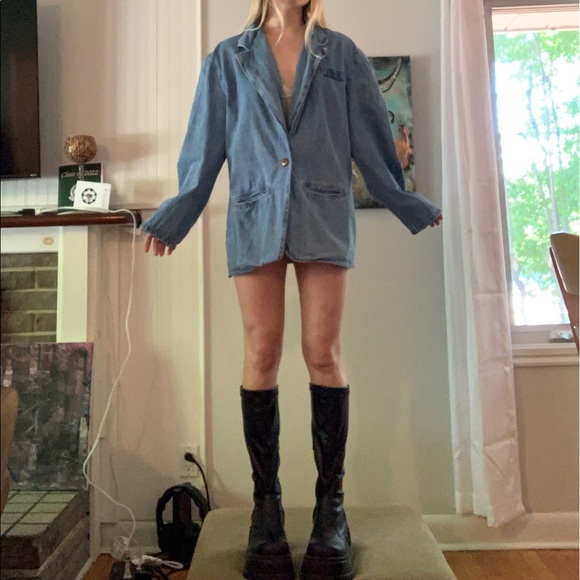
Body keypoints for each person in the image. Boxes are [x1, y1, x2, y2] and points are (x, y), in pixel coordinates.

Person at [142, 1, 442, 578]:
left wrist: (406, 201)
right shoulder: (227, 59)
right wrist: (176, 216)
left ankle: (331, 512)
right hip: (255, 215)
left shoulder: (342, 54)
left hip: (323, 213)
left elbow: (371, 139)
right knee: (261, 352)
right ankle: (267, 512)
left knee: (322, 352)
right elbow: (204, 148)